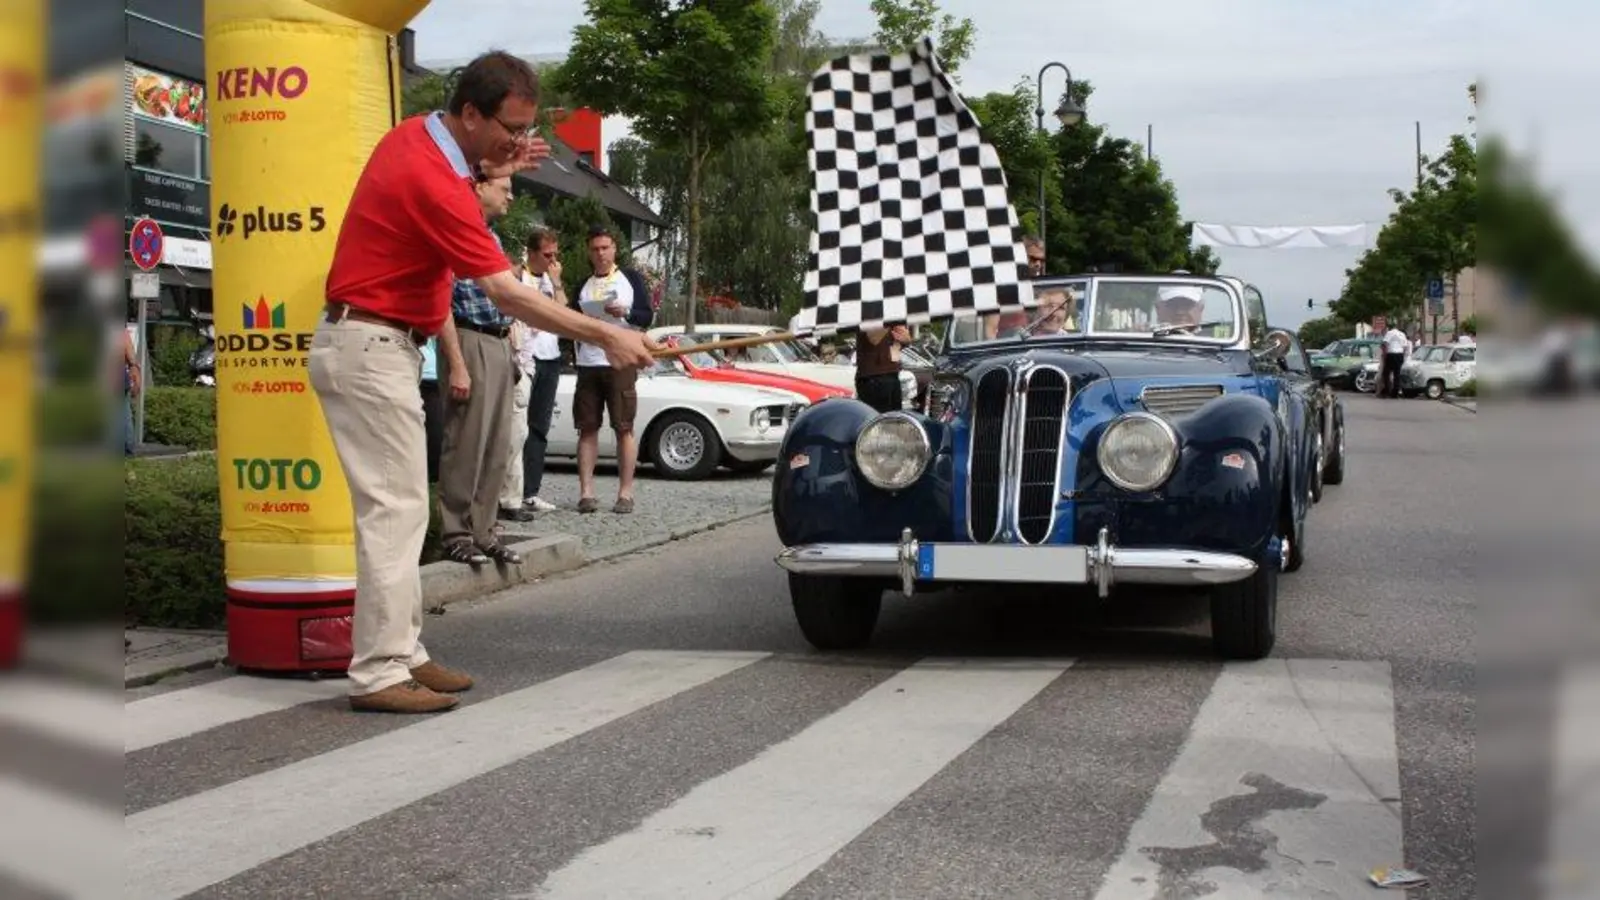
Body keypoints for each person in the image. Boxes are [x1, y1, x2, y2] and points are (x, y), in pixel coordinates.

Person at [310, 50, 658, 715]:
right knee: (396, 511)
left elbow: (467, 168)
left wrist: (491, 163)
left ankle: (403, 652)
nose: (521, 145)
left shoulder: (421, 138)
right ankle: (380, 670)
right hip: (369, 345)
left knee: (403, 509)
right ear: (470, 113)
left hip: (377, 342)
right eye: (512, 129)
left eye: (528, 131)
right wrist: (608, 334)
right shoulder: (433, 179)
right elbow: (505, 292)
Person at [435, 174, 522, 565]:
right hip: (468, 340)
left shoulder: (492, 237)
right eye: (504, 187)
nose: (511, 195)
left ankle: (484, 530)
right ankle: (455, 532)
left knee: (497, 443)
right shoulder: (453, 231)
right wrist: (457, 364)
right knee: (466, 440)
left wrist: (513, 351)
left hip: (500, 340)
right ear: (479, 187)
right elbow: (439, 302)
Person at [571, 227, 654, 514]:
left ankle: (625, 493)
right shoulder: (583, 284)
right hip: (588, 362)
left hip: (621, 362)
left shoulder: (630, 279)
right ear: (589, 252)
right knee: (587, 427)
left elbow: (647, 316)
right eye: (595, 249)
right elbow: (569, 319)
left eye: (605, 248)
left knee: (623, 427)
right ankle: (586, 493)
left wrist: (626, 314)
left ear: (614, 249)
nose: (600, 254)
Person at [502, 227, 566, 516]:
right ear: (531, 252)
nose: (552, 260)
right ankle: (508, 492)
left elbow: (564, 314)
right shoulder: (519, 274)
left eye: (555, 254)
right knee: (517, 427)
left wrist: (557, 282)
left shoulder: (552, 279)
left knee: (539, 427)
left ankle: (531, 491)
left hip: (550, 356)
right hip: (525, 356)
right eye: (547, 255)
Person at [854, 324, 911, 413]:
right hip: (873, 377)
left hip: (893, 373)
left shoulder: (894, 319)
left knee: (894, 419)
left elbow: (906, 340)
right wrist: (890, 320)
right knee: (879, 418)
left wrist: (905, 338)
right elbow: (874, 339)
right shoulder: (869, 315)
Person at [1380, 322, 1409, 398]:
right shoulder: (1402, 334)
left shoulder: (1389, 333)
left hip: (1391, 354)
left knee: (1386, 373)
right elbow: (1405, 346)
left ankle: (1386, 390)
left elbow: (1385, 343)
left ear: (1390, 328)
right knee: (1397, 374)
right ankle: (1395, 392)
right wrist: (1403, 355)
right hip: (1399, 354)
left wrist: (1385, 354)